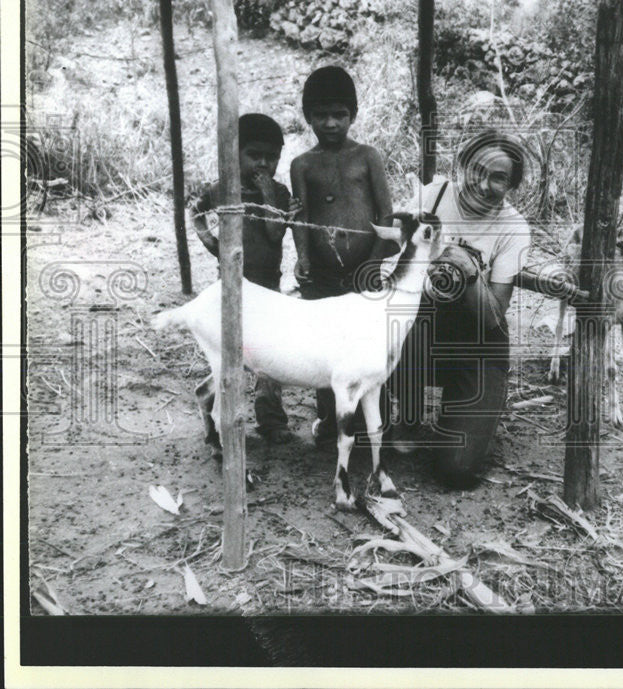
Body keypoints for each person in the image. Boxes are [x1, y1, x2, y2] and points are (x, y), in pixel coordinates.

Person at [389, 130, 533, 486]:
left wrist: (468, 271)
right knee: (400, 323)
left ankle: (466, 411)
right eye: (476, 170)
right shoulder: (432, 196)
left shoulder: (514, 228)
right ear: (461, 165)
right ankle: (408, 415)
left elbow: (492, 317)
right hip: (423, 331)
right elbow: (391, 269)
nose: (483, 185)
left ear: (511, 185)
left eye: (498, 177)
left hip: (478, 342)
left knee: (456, 471)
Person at [289, 66, 393, 445]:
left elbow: (386, 216)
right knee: (325, 346)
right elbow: (300, 217)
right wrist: (303, 257)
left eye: (339, 114)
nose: (330, 123)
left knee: (369, 345)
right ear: (307, 117)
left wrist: (373, 263)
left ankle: (375, 423)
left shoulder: (367, 157)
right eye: (321, 115)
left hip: (365, 273)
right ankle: (330, 420)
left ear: (354, 114)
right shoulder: (302, 165)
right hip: (323, 277)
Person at [191, 113, 298, 443]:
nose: (264, 164)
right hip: (233, 289)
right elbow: (196, 211)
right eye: (255, 155)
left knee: (271, 354)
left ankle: (271, 419)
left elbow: (273, 233)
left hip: (268, 287)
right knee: (231, 356)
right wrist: (211, 243)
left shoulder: (278, 193)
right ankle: (212, 410)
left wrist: (268, 196)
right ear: (234, 153)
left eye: (272, 157)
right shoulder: (221, 189)